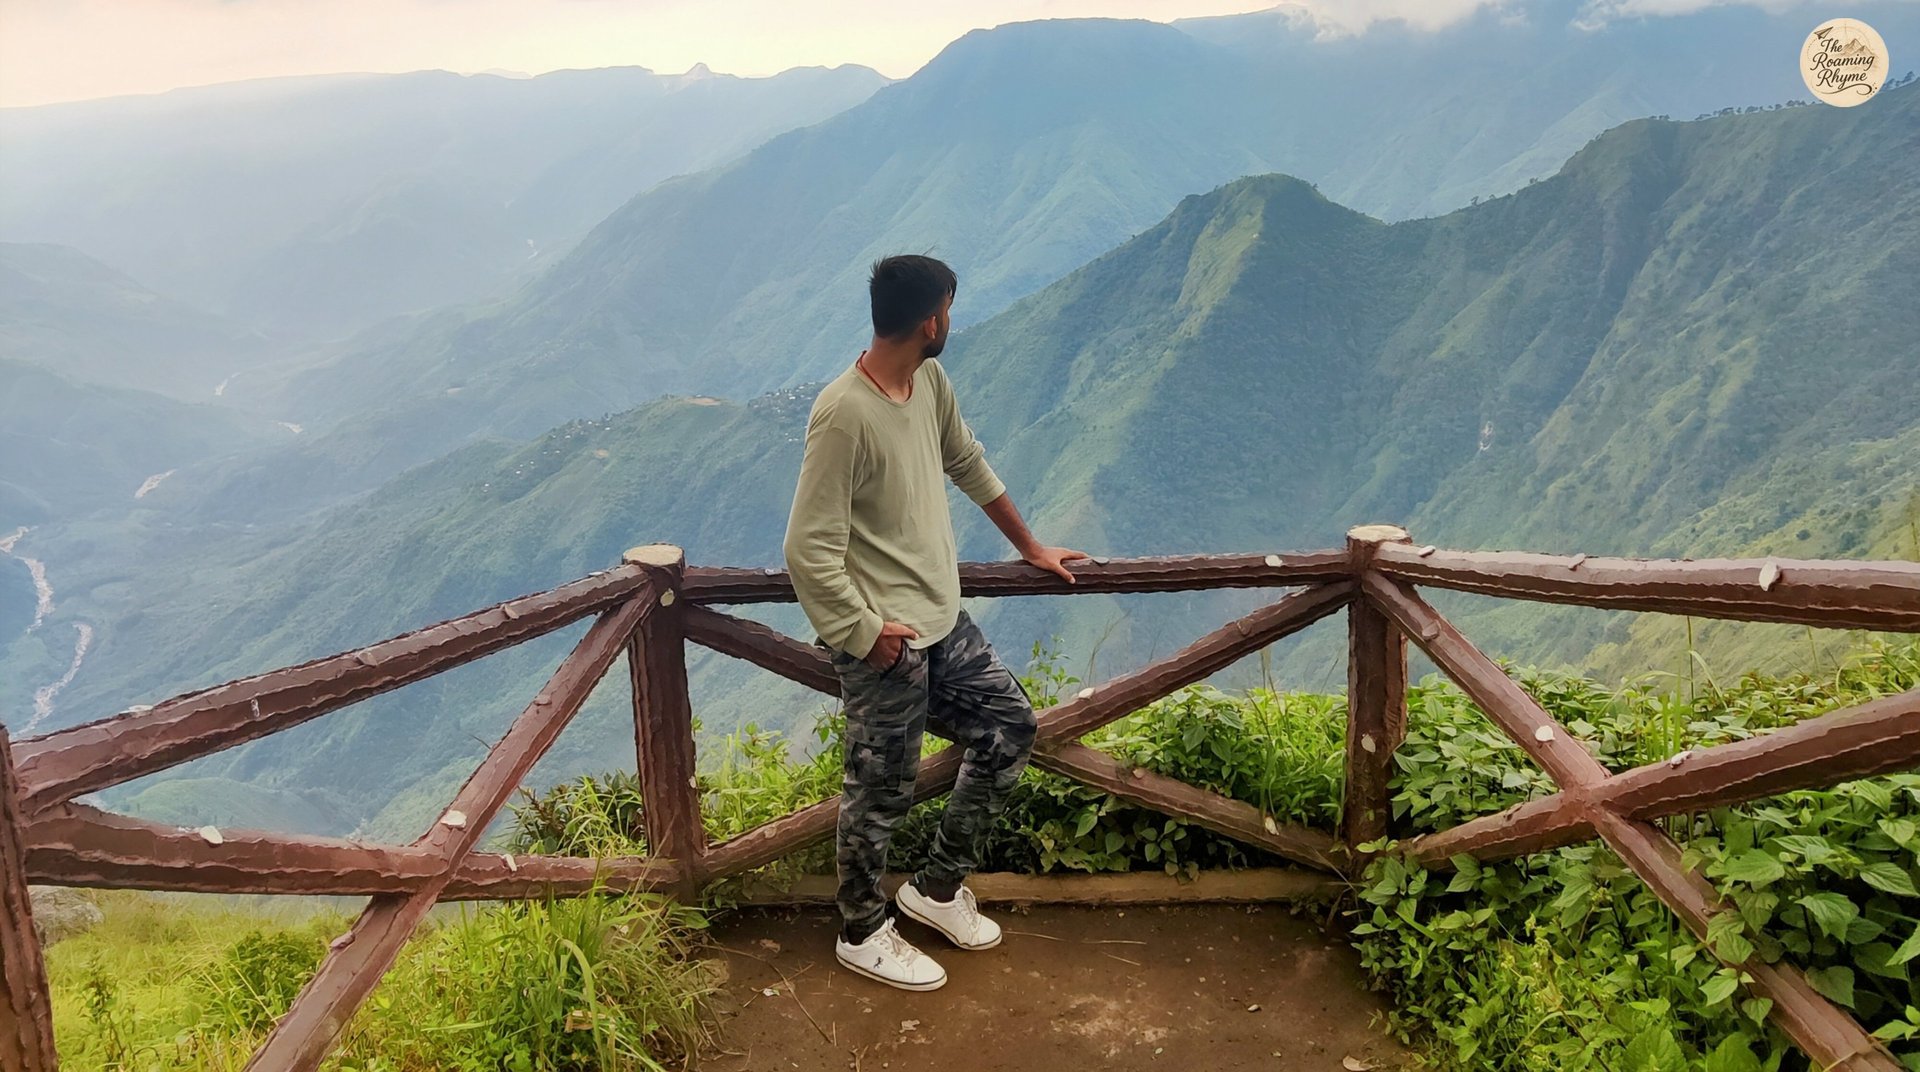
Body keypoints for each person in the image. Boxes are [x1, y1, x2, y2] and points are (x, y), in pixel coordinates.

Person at [782, 253, 1089, 991]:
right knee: (880, 790)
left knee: (1010, 725)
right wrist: (862, 631)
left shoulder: (929, 382)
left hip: (941, 620)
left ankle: (937, 888)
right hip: (884, 641)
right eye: (949, 309)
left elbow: (967, 461)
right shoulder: (842, 414)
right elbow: (806, 549)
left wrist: (1031, 547)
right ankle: (862, 931)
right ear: (930, 320)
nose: (951, 320)